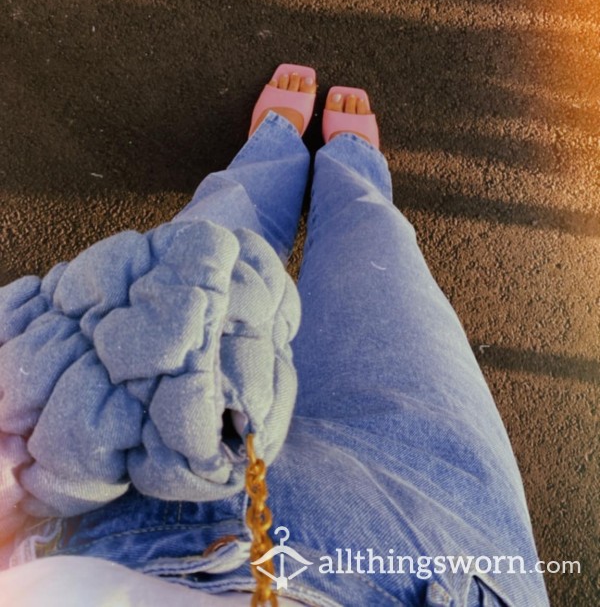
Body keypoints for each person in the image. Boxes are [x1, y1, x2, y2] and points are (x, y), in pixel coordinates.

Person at [0, 64, 550, 607]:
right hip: (428, 548)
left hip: (108, 512)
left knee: (206, 255)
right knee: (376, 253)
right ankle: (351, 167)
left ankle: (275, 151)